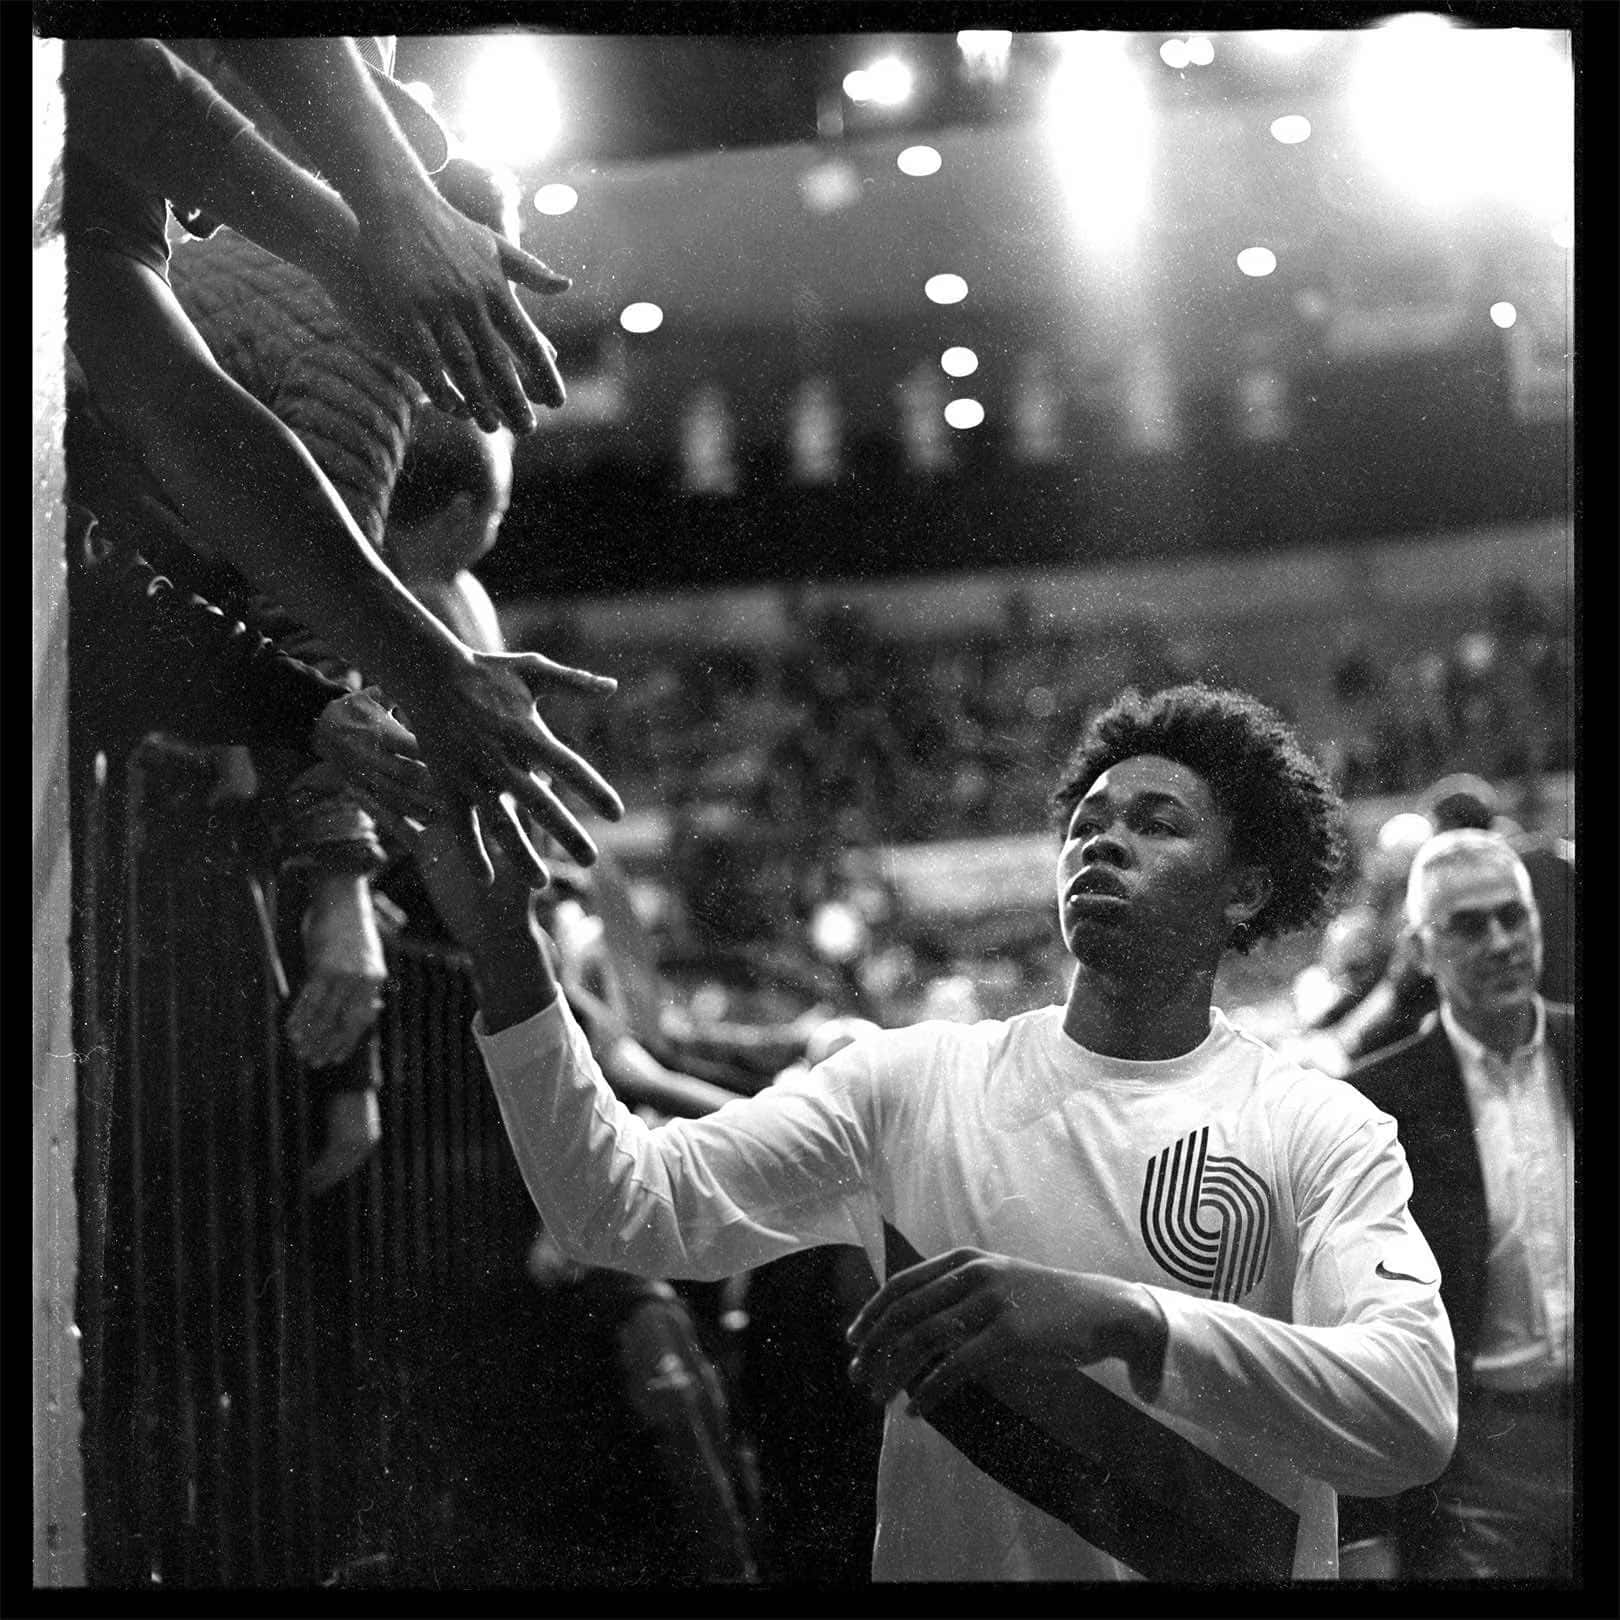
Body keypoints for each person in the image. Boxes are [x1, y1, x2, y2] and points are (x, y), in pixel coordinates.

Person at [363, 683, 1458, 1583]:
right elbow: (620, 1208)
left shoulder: (1320, 1127)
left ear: (1246, 889)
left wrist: (1120, 1320)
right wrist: (506, 953)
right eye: (1089, 823)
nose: (1103, 842)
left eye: (1157, 823)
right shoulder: (912, 1086)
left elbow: (1412, 1412)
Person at [61, 35, 622, 882]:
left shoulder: (133, 188)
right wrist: (370, 226)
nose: (209, 217)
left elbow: (168, 393)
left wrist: (422, 669)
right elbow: (115, 75)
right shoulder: (364, 324)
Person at [1344, 830, 1575, 1580]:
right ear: (1420, 948)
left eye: (1515, 916)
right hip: (1477, 1463)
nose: (1502, 941)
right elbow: (1348, 1327)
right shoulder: (1376, 1106)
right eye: (1469, 925)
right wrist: (1364, 1532)